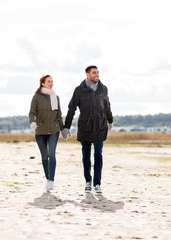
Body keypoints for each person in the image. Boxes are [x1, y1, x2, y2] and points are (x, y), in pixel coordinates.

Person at [62, 65, 113, 193]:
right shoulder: (79, 90)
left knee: (98, 155)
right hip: (85, 126)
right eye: (94, 73)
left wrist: (110, 120)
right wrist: (66, 127)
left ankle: (97, 183)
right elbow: (71, 108)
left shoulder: (103, 89)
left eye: (98, 72)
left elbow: (107, 105)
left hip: (100, 126)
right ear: (87, 74)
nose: (97, 75)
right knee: (86, 157)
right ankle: (88, 181)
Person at [29, 75, 64, 192]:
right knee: (44, 156)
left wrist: (63, 129)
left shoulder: (56, 97)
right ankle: (48, 179)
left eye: (52, 81)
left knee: (51, 154)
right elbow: (31, 112)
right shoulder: (37, 97)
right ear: (42, 83)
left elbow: (59, 115)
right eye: (48, 81)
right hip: (40, 131)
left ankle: (51, 181)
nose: (51, 83)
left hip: (54, 130)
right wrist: (32, 122)